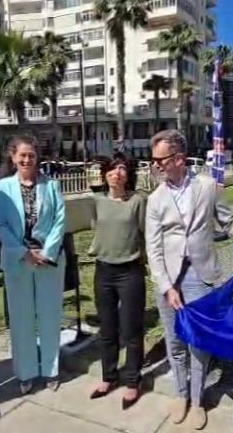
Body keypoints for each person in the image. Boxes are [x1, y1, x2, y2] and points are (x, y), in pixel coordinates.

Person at [145, 129, 233, 430]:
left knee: (199, 343)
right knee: (175, 342)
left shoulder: (207, 187)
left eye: (160, 160)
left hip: (200, 275)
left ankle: (197, 401)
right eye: (154, 161)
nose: (155, 166)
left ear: (178, 158)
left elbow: (229, 223)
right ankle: (181, 396)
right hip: (168, 279)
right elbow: (153, 249)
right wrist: (166, 287)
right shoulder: (155, 199)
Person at [0, 136, 66, 395]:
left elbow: (60, 220)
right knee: (21, 318)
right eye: (22, 155)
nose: (26, 160)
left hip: (48, 260)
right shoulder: (2, 187)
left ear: (37, 157)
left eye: (31, 155)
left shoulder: (51, 185)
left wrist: (47, 252)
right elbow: (0, 224)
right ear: (13, 157)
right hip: (18, 260)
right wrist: (23, 252)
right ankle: (25, 372)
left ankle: (50, 370)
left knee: (49, 315)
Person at [87, 153, 147, 409]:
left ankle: (133, 381)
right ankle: (108, 377)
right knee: (107, 329)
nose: (116, 173)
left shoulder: (137, 201)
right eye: (112, 169)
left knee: (131, 329)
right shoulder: (96, 201)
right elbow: (97, 228)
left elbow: (145, 233)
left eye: (121, 168)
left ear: (128, 174)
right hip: (103, 271)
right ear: (105, 174)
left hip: (130, 272)